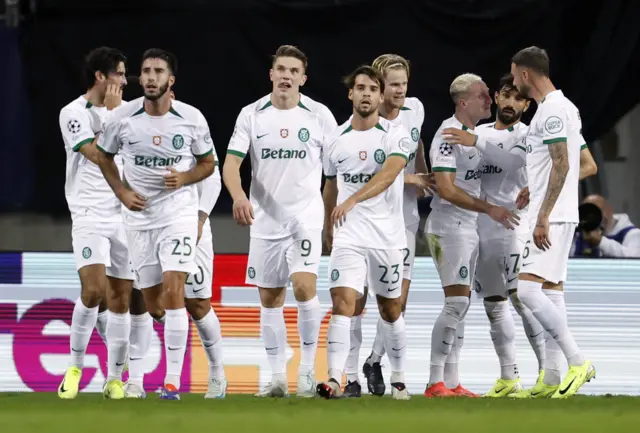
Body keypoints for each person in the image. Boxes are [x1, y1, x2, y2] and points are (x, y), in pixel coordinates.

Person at [97, 48, 216, 400]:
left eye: (158, 71)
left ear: (170, 80)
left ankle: (171, 383)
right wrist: (121, 192)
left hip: (177, 213)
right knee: (153, 304)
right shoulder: (124, 117)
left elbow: (208, 163)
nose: (150, 77)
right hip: (138, 218)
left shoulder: (191, 118)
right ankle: (139, 379)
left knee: (174, 289)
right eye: (146, 71)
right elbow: (103, 155)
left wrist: (185, 178)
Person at [222, 45, 338, 398]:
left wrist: (329, 220)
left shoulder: (319, 116)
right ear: (271, 74)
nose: (286, 75)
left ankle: (305, 370)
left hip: (304, 217)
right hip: (265, 222)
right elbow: (230, 164)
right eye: (281, 69)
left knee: (304, 288)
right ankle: (275, 378)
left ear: (303, 78)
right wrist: (239, 197)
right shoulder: (251, 115)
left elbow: (334, 173)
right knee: (270, 299)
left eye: (293, 71)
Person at [317, 65, 414, 400]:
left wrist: (354, 199)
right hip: (349, 236)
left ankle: (399, 377)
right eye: (360, 88)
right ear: (351, 94)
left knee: (391, 309)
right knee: (343, 303)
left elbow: (389, 173)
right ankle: (334, 378)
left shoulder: (395, 134)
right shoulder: (335, 140)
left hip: (387, 238)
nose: (366, 94)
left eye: (373, 89)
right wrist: (327, 227)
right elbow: (330, 186)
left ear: (380, 94)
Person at [58, 47, 145, 400]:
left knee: (121, 300)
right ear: (100, 76)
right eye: (120, 74)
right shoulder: (73, 113)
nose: (125, 81)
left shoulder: (130, 113)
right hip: (90, 213)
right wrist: (111, 117)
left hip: (125, 216)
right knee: (94, 291)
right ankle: (75, 366)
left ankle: (114, 379)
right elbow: (96, 154)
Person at [424, 73, 518, 398]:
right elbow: (447, 190)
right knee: (456, 303)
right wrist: (488, 208)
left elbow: (511, 161)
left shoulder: (472, 135)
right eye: (483, 96)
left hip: (467, 227)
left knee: (460, 306)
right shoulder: (449, 134)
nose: (490, 100)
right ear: (464, 102)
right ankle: (435, 381)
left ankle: (451, 382)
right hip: (449, 226)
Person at [509, 46, 594, 398]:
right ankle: (552, 378)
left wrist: (542, 215)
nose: (514, 82)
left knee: (527, 290)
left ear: (526, 74)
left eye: (515, 75)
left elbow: (562, 165)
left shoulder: (553, 111)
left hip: (552, 217)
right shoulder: (562, 107)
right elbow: (565, 163)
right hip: (558, 212)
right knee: (551, 292)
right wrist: (535, 186)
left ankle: (578, 361)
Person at [341, 54, 428, 398]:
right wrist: (411, 177)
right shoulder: (363, 126)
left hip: (403, 221)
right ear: (378, 88)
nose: (400, 91)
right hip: (364, 223)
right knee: (357, 301)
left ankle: (375, 361)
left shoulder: (415, 110)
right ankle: (350, 375)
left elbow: (416, 142)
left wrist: (424, 173)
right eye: (393, 84)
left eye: (404, 83)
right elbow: (382, 172)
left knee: (396, 303)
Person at [571, 194, 640, 258]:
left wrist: (601, 241)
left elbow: (634, 257)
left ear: (609, 210)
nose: (593, 218)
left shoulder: (631, 233)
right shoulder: (578, 234)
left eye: (598, 211)